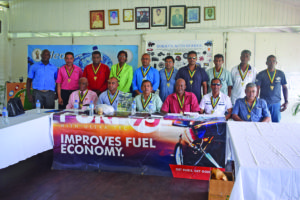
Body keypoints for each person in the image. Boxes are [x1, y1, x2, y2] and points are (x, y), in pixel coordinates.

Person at [256, 55, 288, 122]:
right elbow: (257, 88)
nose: (271, 63)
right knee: (262, 122)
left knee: (276, 123)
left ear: (276, 63)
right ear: (266, 63)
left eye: (273, 61)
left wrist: (286, 101)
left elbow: (284, 88)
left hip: (276, 103)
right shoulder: (261, 74)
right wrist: (255, 101)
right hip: (263, 103)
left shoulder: (281, 73)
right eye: (269, 61)